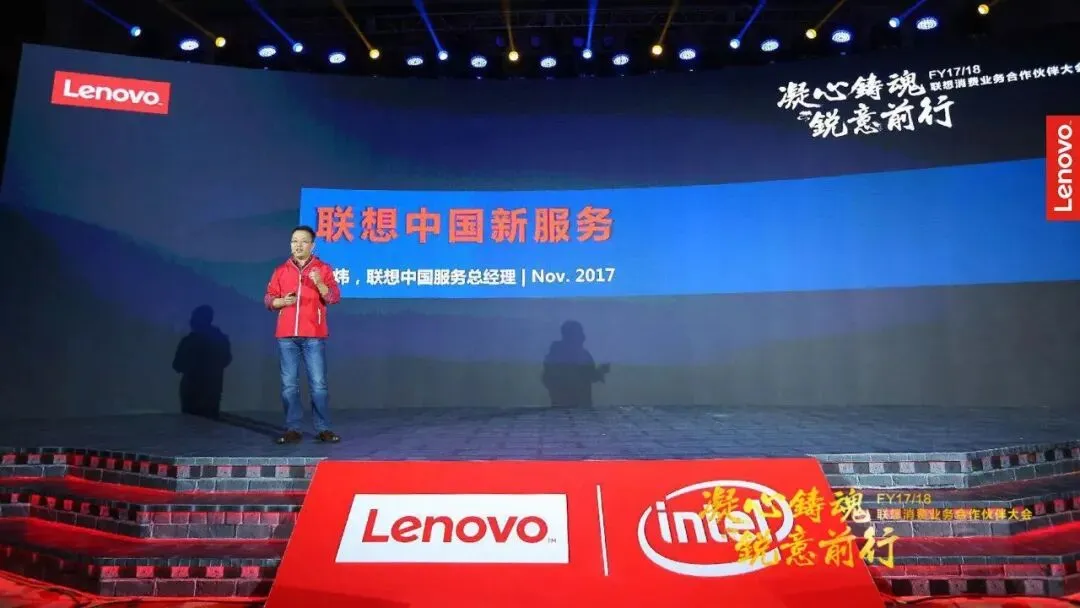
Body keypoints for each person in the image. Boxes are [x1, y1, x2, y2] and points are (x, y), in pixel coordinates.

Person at [264, 225, 342, 444]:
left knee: (318, 384)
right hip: (286, 336)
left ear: (312, 245)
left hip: (313, 335)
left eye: (303, 241)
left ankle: (323, 428)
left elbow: (334, 297)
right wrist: (281, 301)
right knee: (289, 385)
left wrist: (319, 283)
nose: (298, 245)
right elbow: (269, 299)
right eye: (294, 241)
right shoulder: (281, 270)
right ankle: (293, 428)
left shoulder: (323, 269)